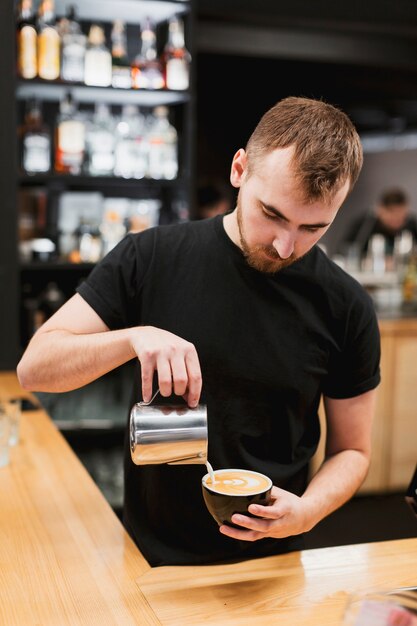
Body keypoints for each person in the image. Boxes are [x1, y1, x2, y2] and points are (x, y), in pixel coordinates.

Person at [17, 96, 380, 567]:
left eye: (313, 227)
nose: (285, 245)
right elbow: (35, 368)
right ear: (239, 170)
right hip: (150, 560)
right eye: (271, 214)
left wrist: (309, 510)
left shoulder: (346, 306)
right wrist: (133, 337)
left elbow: (352, 449)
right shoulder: (150, 258)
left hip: (275, 566)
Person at [342, 187, 417, 258]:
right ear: (380, 209)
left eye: (400, 213)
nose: (396, 217)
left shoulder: (412, 226)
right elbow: (346, 251)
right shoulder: (365, 225)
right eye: (391, 211)